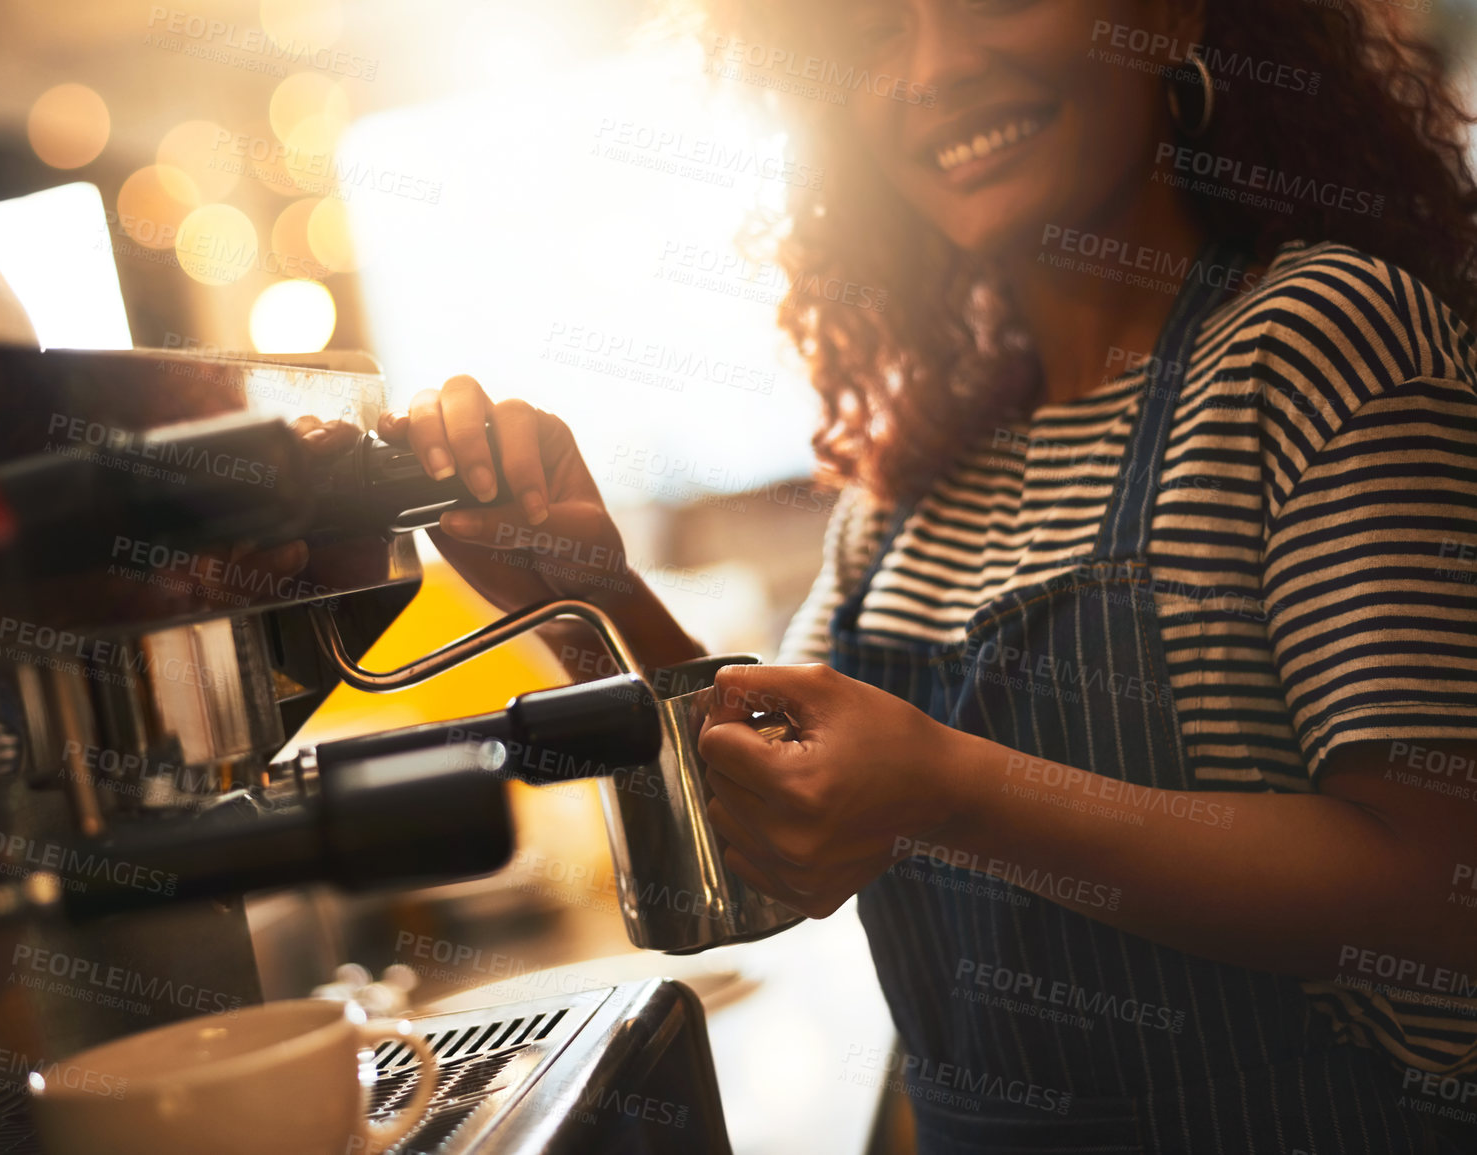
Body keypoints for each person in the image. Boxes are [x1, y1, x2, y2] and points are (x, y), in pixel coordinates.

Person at [383, 0, 1477, 1149]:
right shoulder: (914, 481)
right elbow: (765, 838)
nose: (935, 70)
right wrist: (584, 594)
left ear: (1159, 17)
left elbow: (1436, 891)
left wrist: (953, 792)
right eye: (874, 36)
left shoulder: (1315, 341)